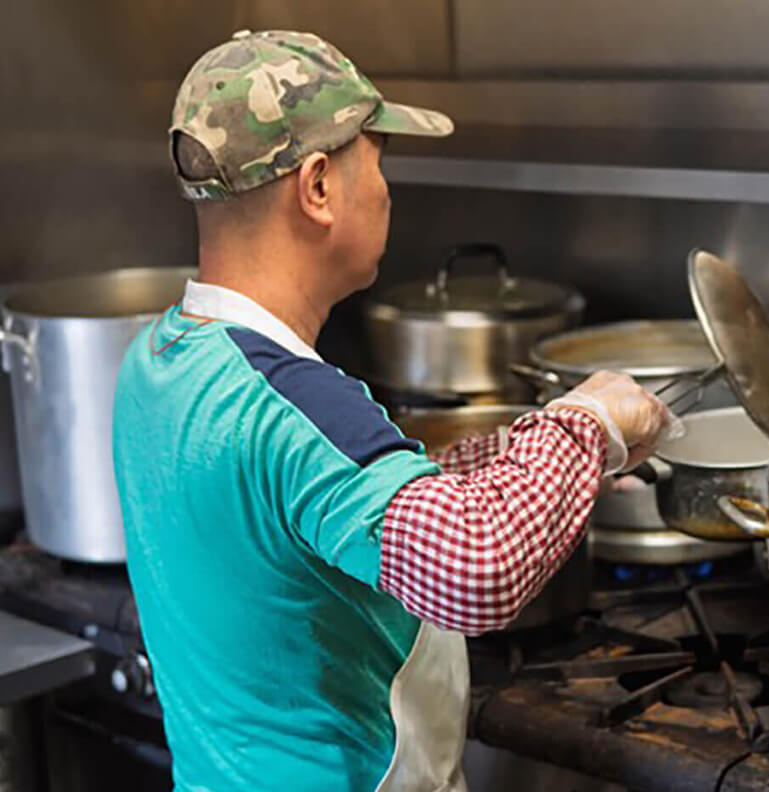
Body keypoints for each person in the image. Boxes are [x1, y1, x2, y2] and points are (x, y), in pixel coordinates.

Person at [112, 29, 669, 792]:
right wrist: (588, 422)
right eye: (377, 161)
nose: (385, 189)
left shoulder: (159, 363)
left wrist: (530, 465)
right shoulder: (288, 403)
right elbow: (475, 569)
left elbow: (307, 512)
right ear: (317, 188)